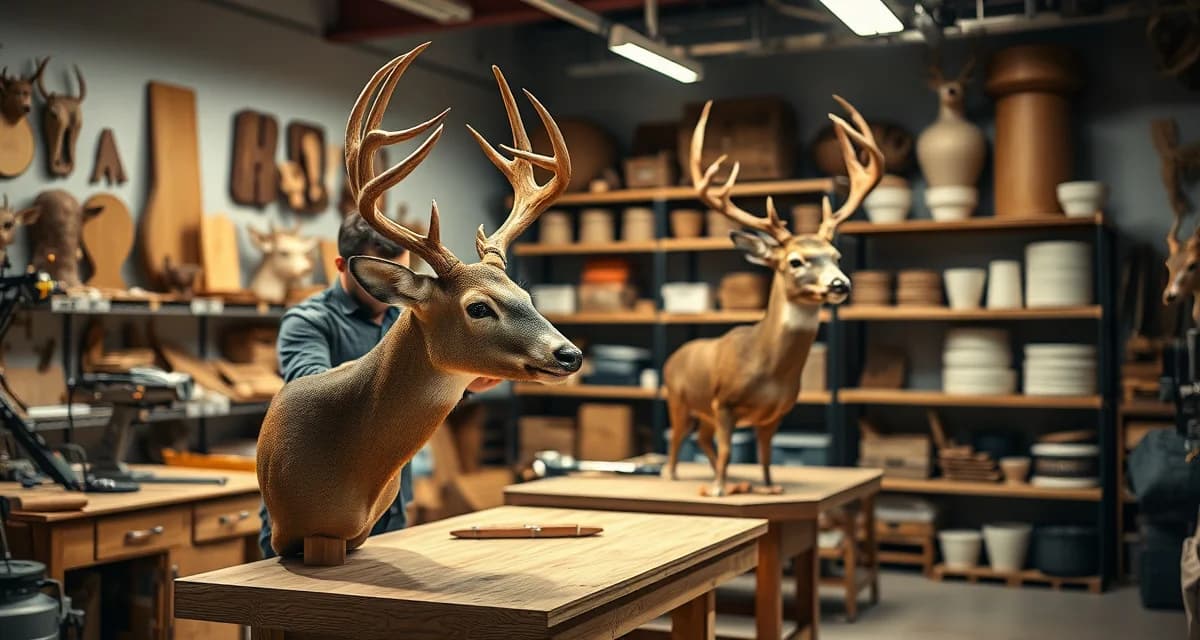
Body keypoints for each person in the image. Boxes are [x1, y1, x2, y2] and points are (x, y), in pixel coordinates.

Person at [258, 212, 499, 558]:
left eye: (399, 275)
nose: (394, 287)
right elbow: (308, 392)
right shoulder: (307, 321)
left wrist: (462, 381)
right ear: (343, 265)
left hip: (387, 503)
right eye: (382, 277)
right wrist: (430, 372)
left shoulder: (413, 316)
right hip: (311, 511)